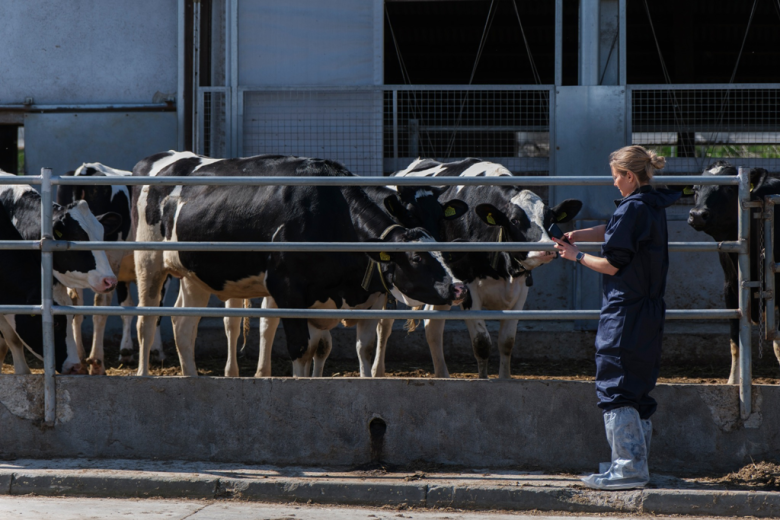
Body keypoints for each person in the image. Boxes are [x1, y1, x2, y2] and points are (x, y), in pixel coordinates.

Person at [551, 145, 681, 490]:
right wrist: (579, 236)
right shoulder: (650, 205)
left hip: (625, 308)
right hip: (649, 309)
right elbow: (616, 228)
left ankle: (628, 470)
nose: (614, 183)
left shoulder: (631, 208)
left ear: (629, 176)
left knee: (616, 384)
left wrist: (576, 255)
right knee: (637, 386)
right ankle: (636, 464)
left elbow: (612, 264)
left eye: (615, 177)